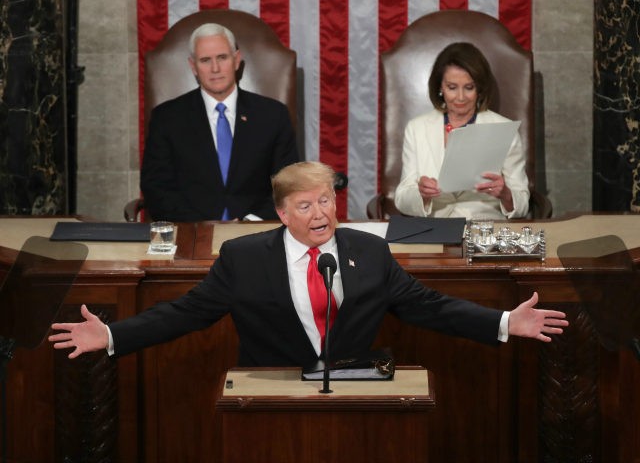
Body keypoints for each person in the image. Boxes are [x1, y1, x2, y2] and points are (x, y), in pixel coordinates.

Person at [50, 161, 567, 368]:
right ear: (281, 213)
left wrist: (503, 322)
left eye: (325, 201)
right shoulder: (244, 258)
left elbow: (428, 306)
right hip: (269, 398)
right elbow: (186, 313)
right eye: (305, 205)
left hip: (352, 394)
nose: (320, 214)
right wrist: (113, 336)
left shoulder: (367, 250)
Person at [140, 22, 299, 222]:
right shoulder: (167, 118)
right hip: (191, 234)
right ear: (193, 67)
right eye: (205, 60)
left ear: (236, 60)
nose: (215, 68)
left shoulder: (273, 115)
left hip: (257, 233)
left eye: (222, 58)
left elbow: (289, 183)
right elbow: (156, 187)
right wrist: (200, 226)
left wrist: (251, 222)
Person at [394, 42, 530, 219]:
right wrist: (422, 195)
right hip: (435, 230)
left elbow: (523, 204)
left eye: (469, 88)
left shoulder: (504, 129)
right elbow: (402, 198)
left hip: (484, 231)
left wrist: (505, 194)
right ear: (440, 88)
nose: (460, 97)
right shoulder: (416, 128)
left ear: (479, 89)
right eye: (452, 87)